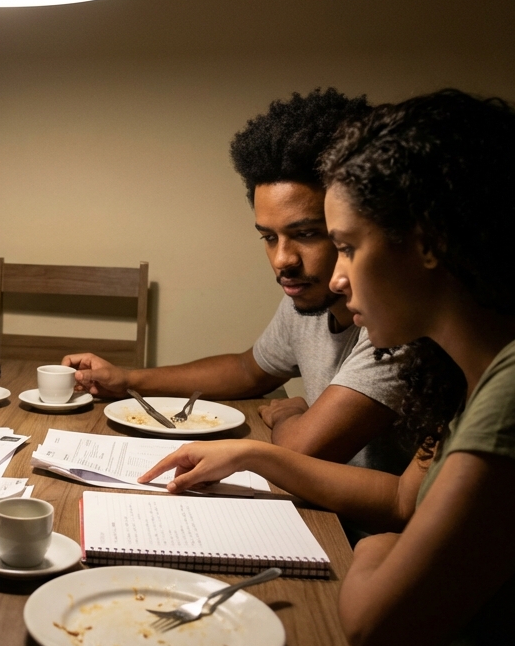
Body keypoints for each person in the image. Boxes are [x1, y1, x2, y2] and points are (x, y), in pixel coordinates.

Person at [138, 90, 515, 646]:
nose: (339, 278)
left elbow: (378, 633)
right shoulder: (464, 371)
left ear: (428, 242)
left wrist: (376, 549)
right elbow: (405, 501)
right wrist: (252, 451)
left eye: (346, 246)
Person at [66, 89, 408, 473]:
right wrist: (129, 378)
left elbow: (303, 449)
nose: (283, 260)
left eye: (309, 234)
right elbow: (250, 370)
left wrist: (288, 414)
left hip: (350, 532)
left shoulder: (397, 320)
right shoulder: (309, 293)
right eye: (269, 237)